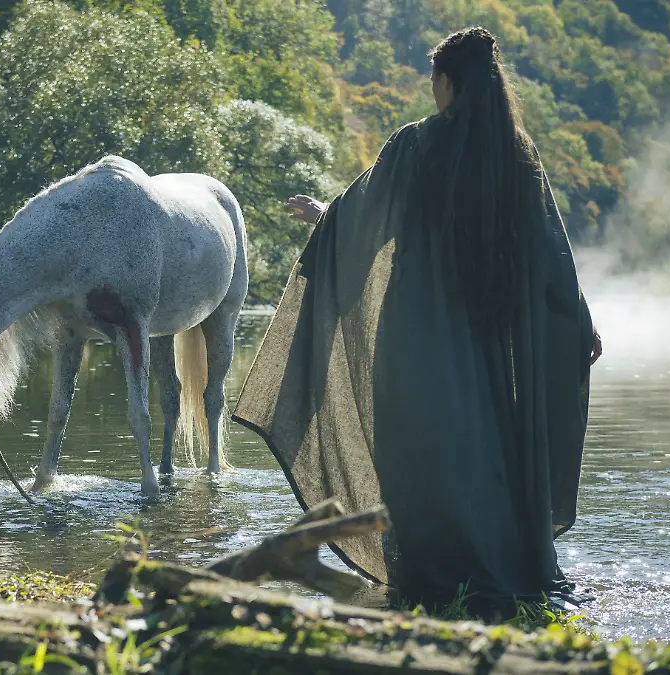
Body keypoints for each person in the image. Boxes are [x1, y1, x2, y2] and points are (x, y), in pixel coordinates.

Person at [230, 26, 601, 611]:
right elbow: (555, 256)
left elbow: (360, 224)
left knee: (417, 454)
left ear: (446, 82)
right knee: (483, 450)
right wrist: (579, 325)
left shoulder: (415, 145)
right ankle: (496, 565)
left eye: (434, 80)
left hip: (413, 341)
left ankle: (429, 575)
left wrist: (322, 214)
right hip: (485, 345)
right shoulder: (518, 156)